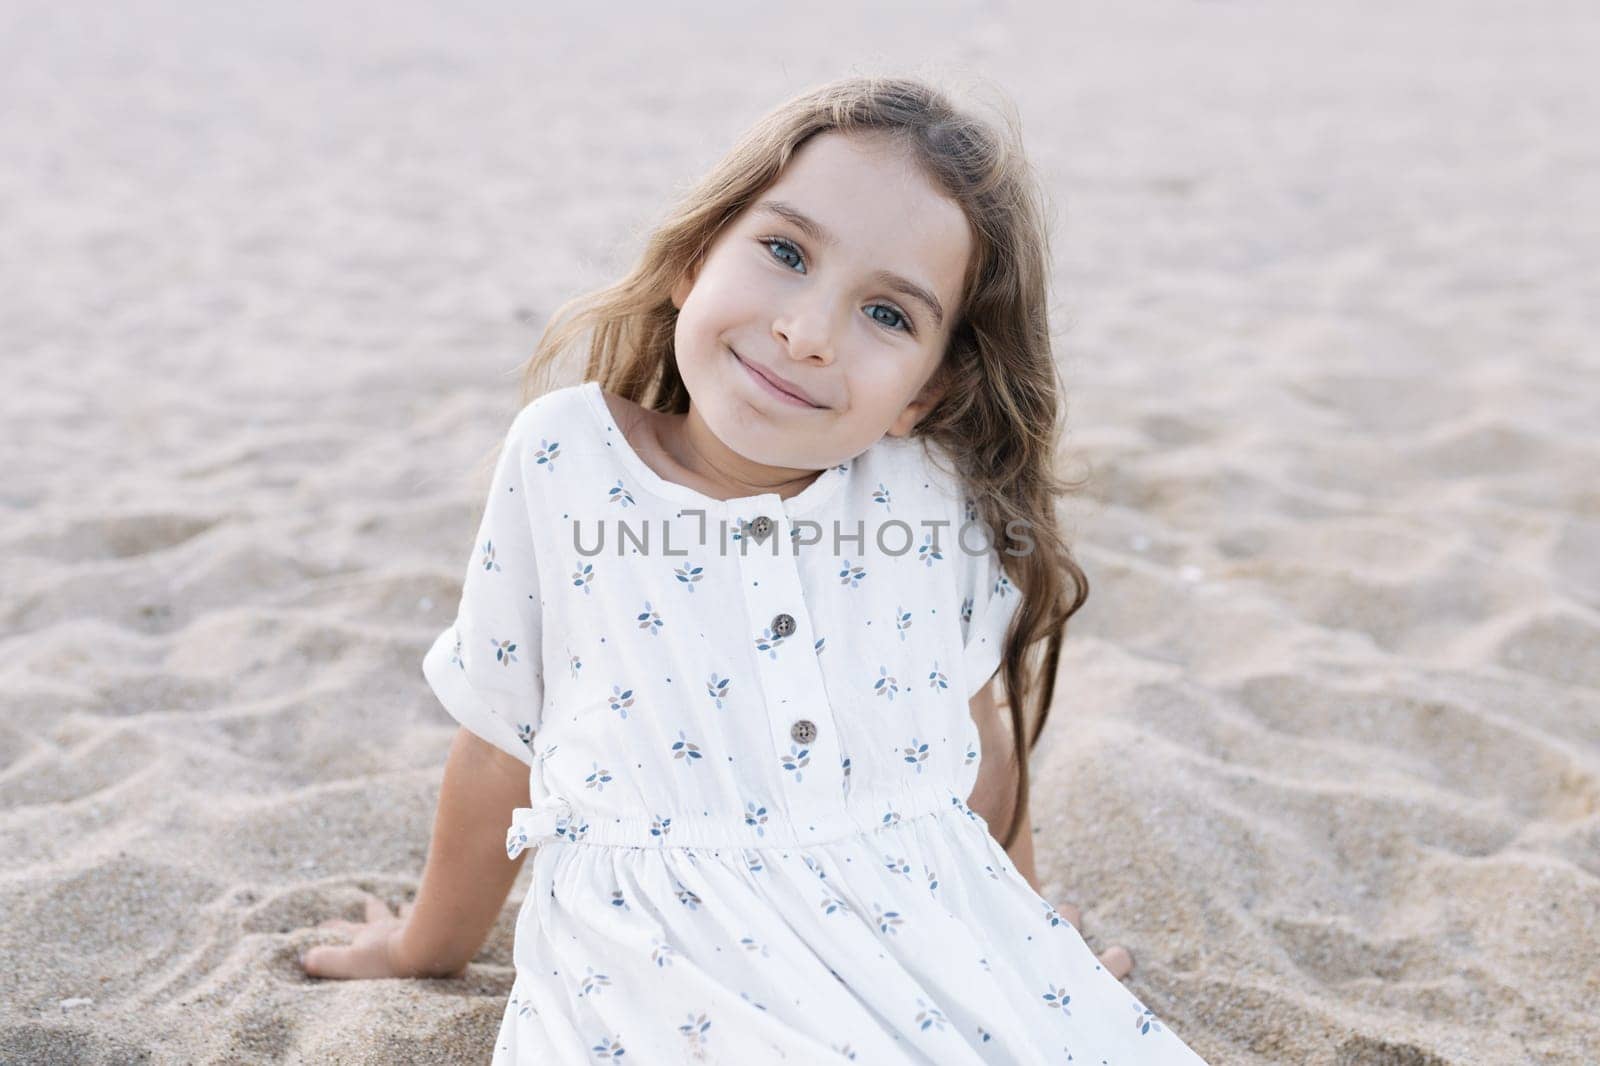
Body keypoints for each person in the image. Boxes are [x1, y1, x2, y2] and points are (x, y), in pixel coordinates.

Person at [297, 74, 1210, 1064]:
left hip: (913, 929)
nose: (806, 331)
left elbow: (978, 737)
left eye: (888, 316)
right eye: (784, 253)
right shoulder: (567, 457)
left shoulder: (926, 492)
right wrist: (424, 944)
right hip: (657, 962)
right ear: (695, 257)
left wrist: (1021, 931)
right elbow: (495, 740)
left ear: (923, 392)